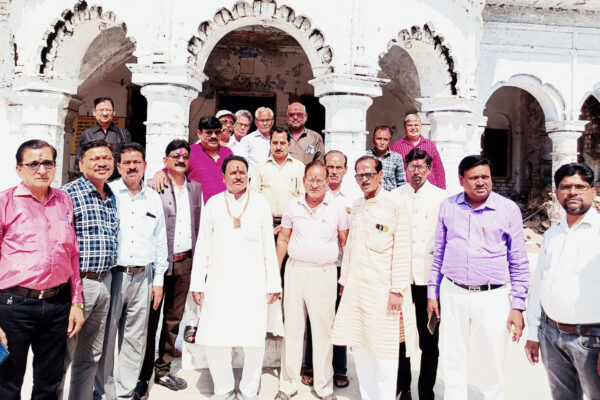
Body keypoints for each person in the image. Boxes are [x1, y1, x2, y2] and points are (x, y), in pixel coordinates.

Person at [427, 155, 530, 400]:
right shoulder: (448, 206)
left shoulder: (507, 209)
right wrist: (433, 293)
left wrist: (518, 306)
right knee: (452, 357)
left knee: (493, 360)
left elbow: (518, 260)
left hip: (492, 296)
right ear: (461, 180)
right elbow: (438, 253)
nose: (481, 182)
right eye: (474, 178)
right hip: (453, 292)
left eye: (486, 177)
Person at [190, 155, 281, 400]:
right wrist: (198, 282)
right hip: (219, 282)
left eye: (242, 172)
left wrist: (273, 283)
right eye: (233, 172)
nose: (238, 176)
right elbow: (203, 245)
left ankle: (249, 390)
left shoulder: (260, 203)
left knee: (254, 339)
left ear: (248, 175)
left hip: (254, 282)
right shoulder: (213, 204)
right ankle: (224, 388)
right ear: (223, 177)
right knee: (215, 336)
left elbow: (269, 246)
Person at [0, 140, 84, 400]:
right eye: (33, 164)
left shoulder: (64, 200)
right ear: (19, 169)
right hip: (14, 306)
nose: (42, 169)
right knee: (7, 385)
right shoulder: (5, 202)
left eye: (47, 162)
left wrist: (76, 302)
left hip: (57, 304)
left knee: (49, 383)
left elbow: (72, 253)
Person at [332, 155, 417, 400]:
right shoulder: (357, 206)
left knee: (384, 355)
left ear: (381, 175)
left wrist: (397, 290)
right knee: (361, 350)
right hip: (358, 290)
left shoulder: (395, 204)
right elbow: (350, 248)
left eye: (369, 174)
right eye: (359, 175)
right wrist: (344, 281)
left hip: (384, 292)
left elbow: (402, 250)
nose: (364, 180)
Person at [94, 143, 168, 400]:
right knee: (106, 338)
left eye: (137, 162)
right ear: (119, 167)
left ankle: (125, 393)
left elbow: (160, 241)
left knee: (135, 339)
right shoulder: (109, 192)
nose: (132, 167)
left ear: (145, 166)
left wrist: (158, 279)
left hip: (143, 276)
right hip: (113, 275)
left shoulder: (154, 198)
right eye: (127, 162)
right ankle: (103, 392)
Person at [525, 163, 600, 400]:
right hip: (551, 336)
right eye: (566, 187)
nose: (573, 192)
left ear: (593, 191)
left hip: (592, 340)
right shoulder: (552, 234)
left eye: (580, 186)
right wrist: (534, 333)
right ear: (557, 193)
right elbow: (539, 283)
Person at [275, 160, 349, 400]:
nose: (314, 184)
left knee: (323, 331)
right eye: (310, 179)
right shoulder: (293, 205)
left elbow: (345, 242)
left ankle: (324, 386)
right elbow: (283, 239)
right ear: (303, 181)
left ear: (327, 182)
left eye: (319, 180)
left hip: (324, 273)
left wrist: (346, 277)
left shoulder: (337, 207)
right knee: (293, 329)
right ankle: (287, 384)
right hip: (295, 271)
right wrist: (275, 273)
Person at [135, 140, 203, 399]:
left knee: (173, 319)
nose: (181, 159)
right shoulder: (156, 186)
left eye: (185, 156)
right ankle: (142, 375)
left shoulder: (196, 189)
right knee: (150, 321)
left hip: (185, 262)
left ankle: (162, 370)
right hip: (158, 263)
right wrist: (157, 173)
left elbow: (199, 226)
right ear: (165, 161)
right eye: (175, 156)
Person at [61, 139, 120, 400]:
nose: (102, 162)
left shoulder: (111, 195)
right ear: (81, 163)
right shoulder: (68, 194)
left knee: (91, 355)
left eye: (106, 158)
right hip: (78, 284)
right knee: (63, 354)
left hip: (105, 281)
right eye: (95, 158)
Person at [392, 148, 447, 400]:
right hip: (401, 279)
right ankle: (403, 388)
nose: (417, 172)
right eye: (412, 167)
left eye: (421, 167)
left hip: (429, 281)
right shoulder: (394, 196)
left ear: (429, 169)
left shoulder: (441, 198)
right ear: (406, 168)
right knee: (401, 338)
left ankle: (426, 392)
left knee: (429, 339)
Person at [302, 150, 355, 389]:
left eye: (338, 167)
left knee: (339, 318)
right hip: (316, 266)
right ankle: (311, 365)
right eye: (330, 167)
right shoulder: (311, 193)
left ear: (345, 170)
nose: (333, 171)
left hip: (341, 267)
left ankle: (339, 367)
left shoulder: (351, 198)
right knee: (314, 317)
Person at [152, 116, 232, 203]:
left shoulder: (227, 153)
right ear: (199, 133)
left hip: (225, 206)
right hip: (198, 207)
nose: (214, 136)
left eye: (217, 132)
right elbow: (171, 170)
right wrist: (160, 173)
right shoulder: (190, 153)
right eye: (208, 132)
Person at [250, 126, 305, 233]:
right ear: (270, 144)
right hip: (265, 223)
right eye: (275, 143)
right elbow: (253, 198)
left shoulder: (300, 167)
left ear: (289, 145)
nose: (278, 147)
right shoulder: (260, 167)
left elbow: (303, 199)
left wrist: (289, 224)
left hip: (292, 224)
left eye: (282, 143)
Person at [76, 97, 131, 181]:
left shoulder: (123, 134)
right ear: (94, 112)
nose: (105, 113)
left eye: (108, 110)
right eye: (101, 110)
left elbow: (128, 159)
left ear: (114, 112)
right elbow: (79, 161)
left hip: (116, 182)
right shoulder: (87, 134)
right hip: (92, 182)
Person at [390, 114, 445, 189]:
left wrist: (441, 190)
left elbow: (438, 169)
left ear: (421, 127)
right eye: (410, 125)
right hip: (405, 189)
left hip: (428, 189)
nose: (413, 128)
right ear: (404, 128)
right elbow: (391, 170)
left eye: (416, 125)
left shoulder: (430, 144)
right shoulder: (397, 146)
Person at [367, 125, 406, 190]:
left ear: (389, 141)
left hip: (390, 195)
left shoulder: (397, 158)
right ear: (373, 140)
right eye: (379, 139)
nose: (382, 142)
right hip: (371, 195)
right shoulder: (366, 156)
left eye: (386, 139)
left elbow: (402, 183)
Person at [238, 107, 274, 175]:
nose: (265, 123)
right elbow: (242, 164)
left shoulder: (276, 139)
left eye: (268, 120)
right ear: (256, 122)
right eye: (261, 120)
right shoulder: (247, 140)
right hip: (254, 178)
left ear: (272, 121)